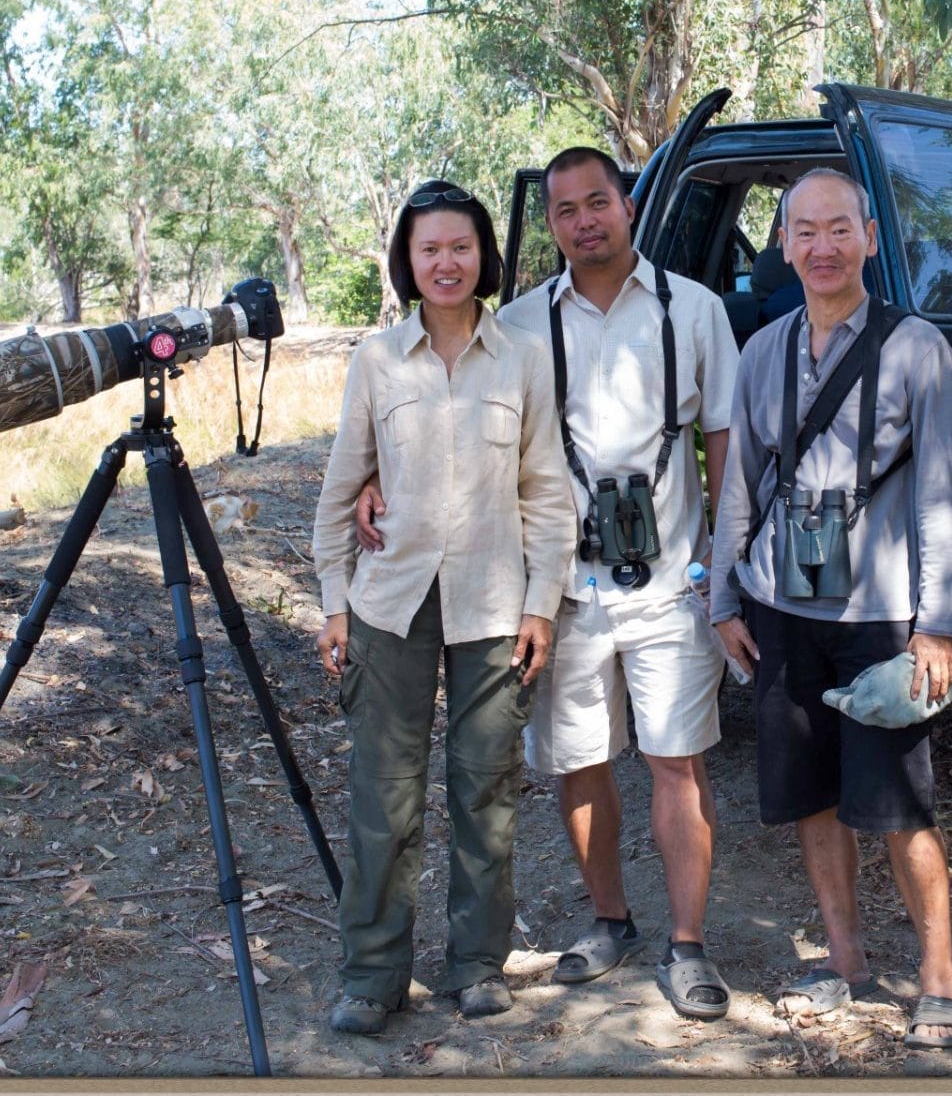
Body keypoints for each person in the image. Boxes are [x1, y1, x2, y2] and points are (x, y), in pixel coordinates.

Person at [357, 148, 741, 1019]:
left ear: (629, 204)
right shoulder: (522, 323)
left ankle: (688, 943)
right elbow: (453, 414)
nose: (583, 221)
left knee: (676, 760)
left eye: (597, 202)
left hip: (669, 579)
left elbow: (723, 435)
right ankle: (610, 920)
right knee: (577, 759)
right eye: (564, 209)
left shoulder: (696, 310)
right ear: (550, 223)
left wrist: (722, 561)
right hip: (561, 585)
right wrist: (378, 474)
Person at [708, 168, 952, 1050]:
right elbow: (739, 484)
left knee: (900, 803)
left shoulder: (917, 348)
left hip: (881, 615)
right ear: (783, 245)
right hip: (782, 607)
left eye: (839, 229)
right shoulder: (762, 351)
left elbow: (943, 493)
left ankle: (939, 981)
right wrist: (725, 596)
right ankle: (846, 960)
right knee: (812, 797)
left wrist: (937, 624)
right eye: (805, 231)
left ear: (869, 237)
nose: (822, 247)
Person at [312, 180, 574, 1034]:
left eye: (461, 246)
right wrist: (334, 602)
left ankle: (477, 964)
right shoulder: (377, 360)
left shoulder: (523, 357)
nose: (446, 262)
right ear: (408, 261)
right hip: (389, 605)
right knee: (383, 797)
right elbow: (341, 488)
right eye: (429, 249)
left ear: (482, 255)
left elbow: (546, 490)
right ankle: (372, 974)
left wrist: (542, 603)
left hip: (495, 605)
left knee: (484, 791)